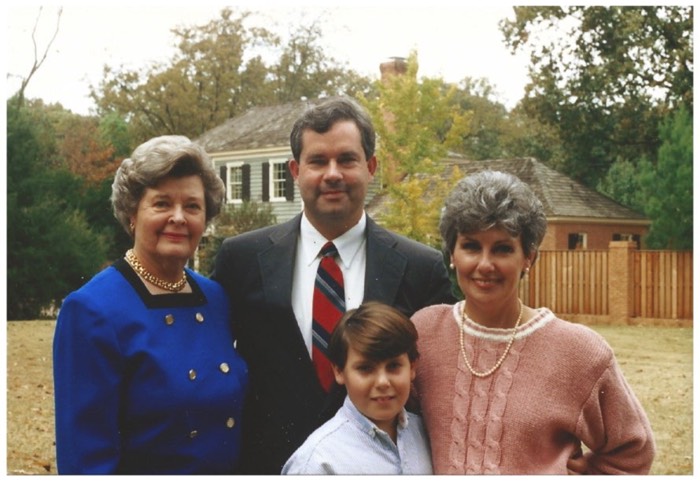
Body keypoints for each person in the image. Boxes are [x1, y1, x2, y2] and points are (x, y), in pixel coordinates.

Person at [212, 96, 456, 474]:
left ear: (371, 167)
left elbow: (447, 382)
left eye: (346, 159)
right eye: (317, 161)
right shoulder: (241, 260)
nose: (332, 174)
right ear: (295, 170)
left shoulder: (420, 267)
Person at [411, 170, 656, 474]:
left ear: (529, 257)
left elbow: (634, 450)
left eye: (502, 248)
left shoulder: (579, 351)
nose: (485, 264)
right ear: (452, 254)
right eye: (471, 246)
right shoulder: (423, 332)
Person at [53, 135, 249, 474]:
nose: (179, 217)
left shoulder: (215, 298)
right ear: (132, 213)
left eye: (192, 206)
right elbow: (86, 460)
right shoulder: (92, 310)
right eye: (162, 204)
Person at [281, 301, 433, 474]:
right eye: (366, 368)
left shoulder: (429, 435)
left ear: (412, 367)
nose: (382, 382)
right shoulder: (318, 463)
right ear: (339, 371)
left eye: (393, 366)